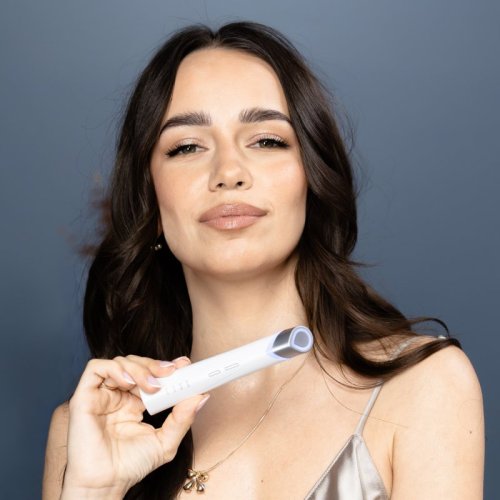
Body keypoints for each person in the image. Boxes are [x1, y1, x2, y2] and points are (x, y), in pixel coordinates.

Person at [42, 21, 484, 499]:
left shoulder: (423, 386)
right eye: (187, 146)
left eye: (267, 140)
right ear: (149, 200)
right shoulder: (86, 429)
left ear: (312, 177)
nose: (229, 172)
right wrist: (93, 490)